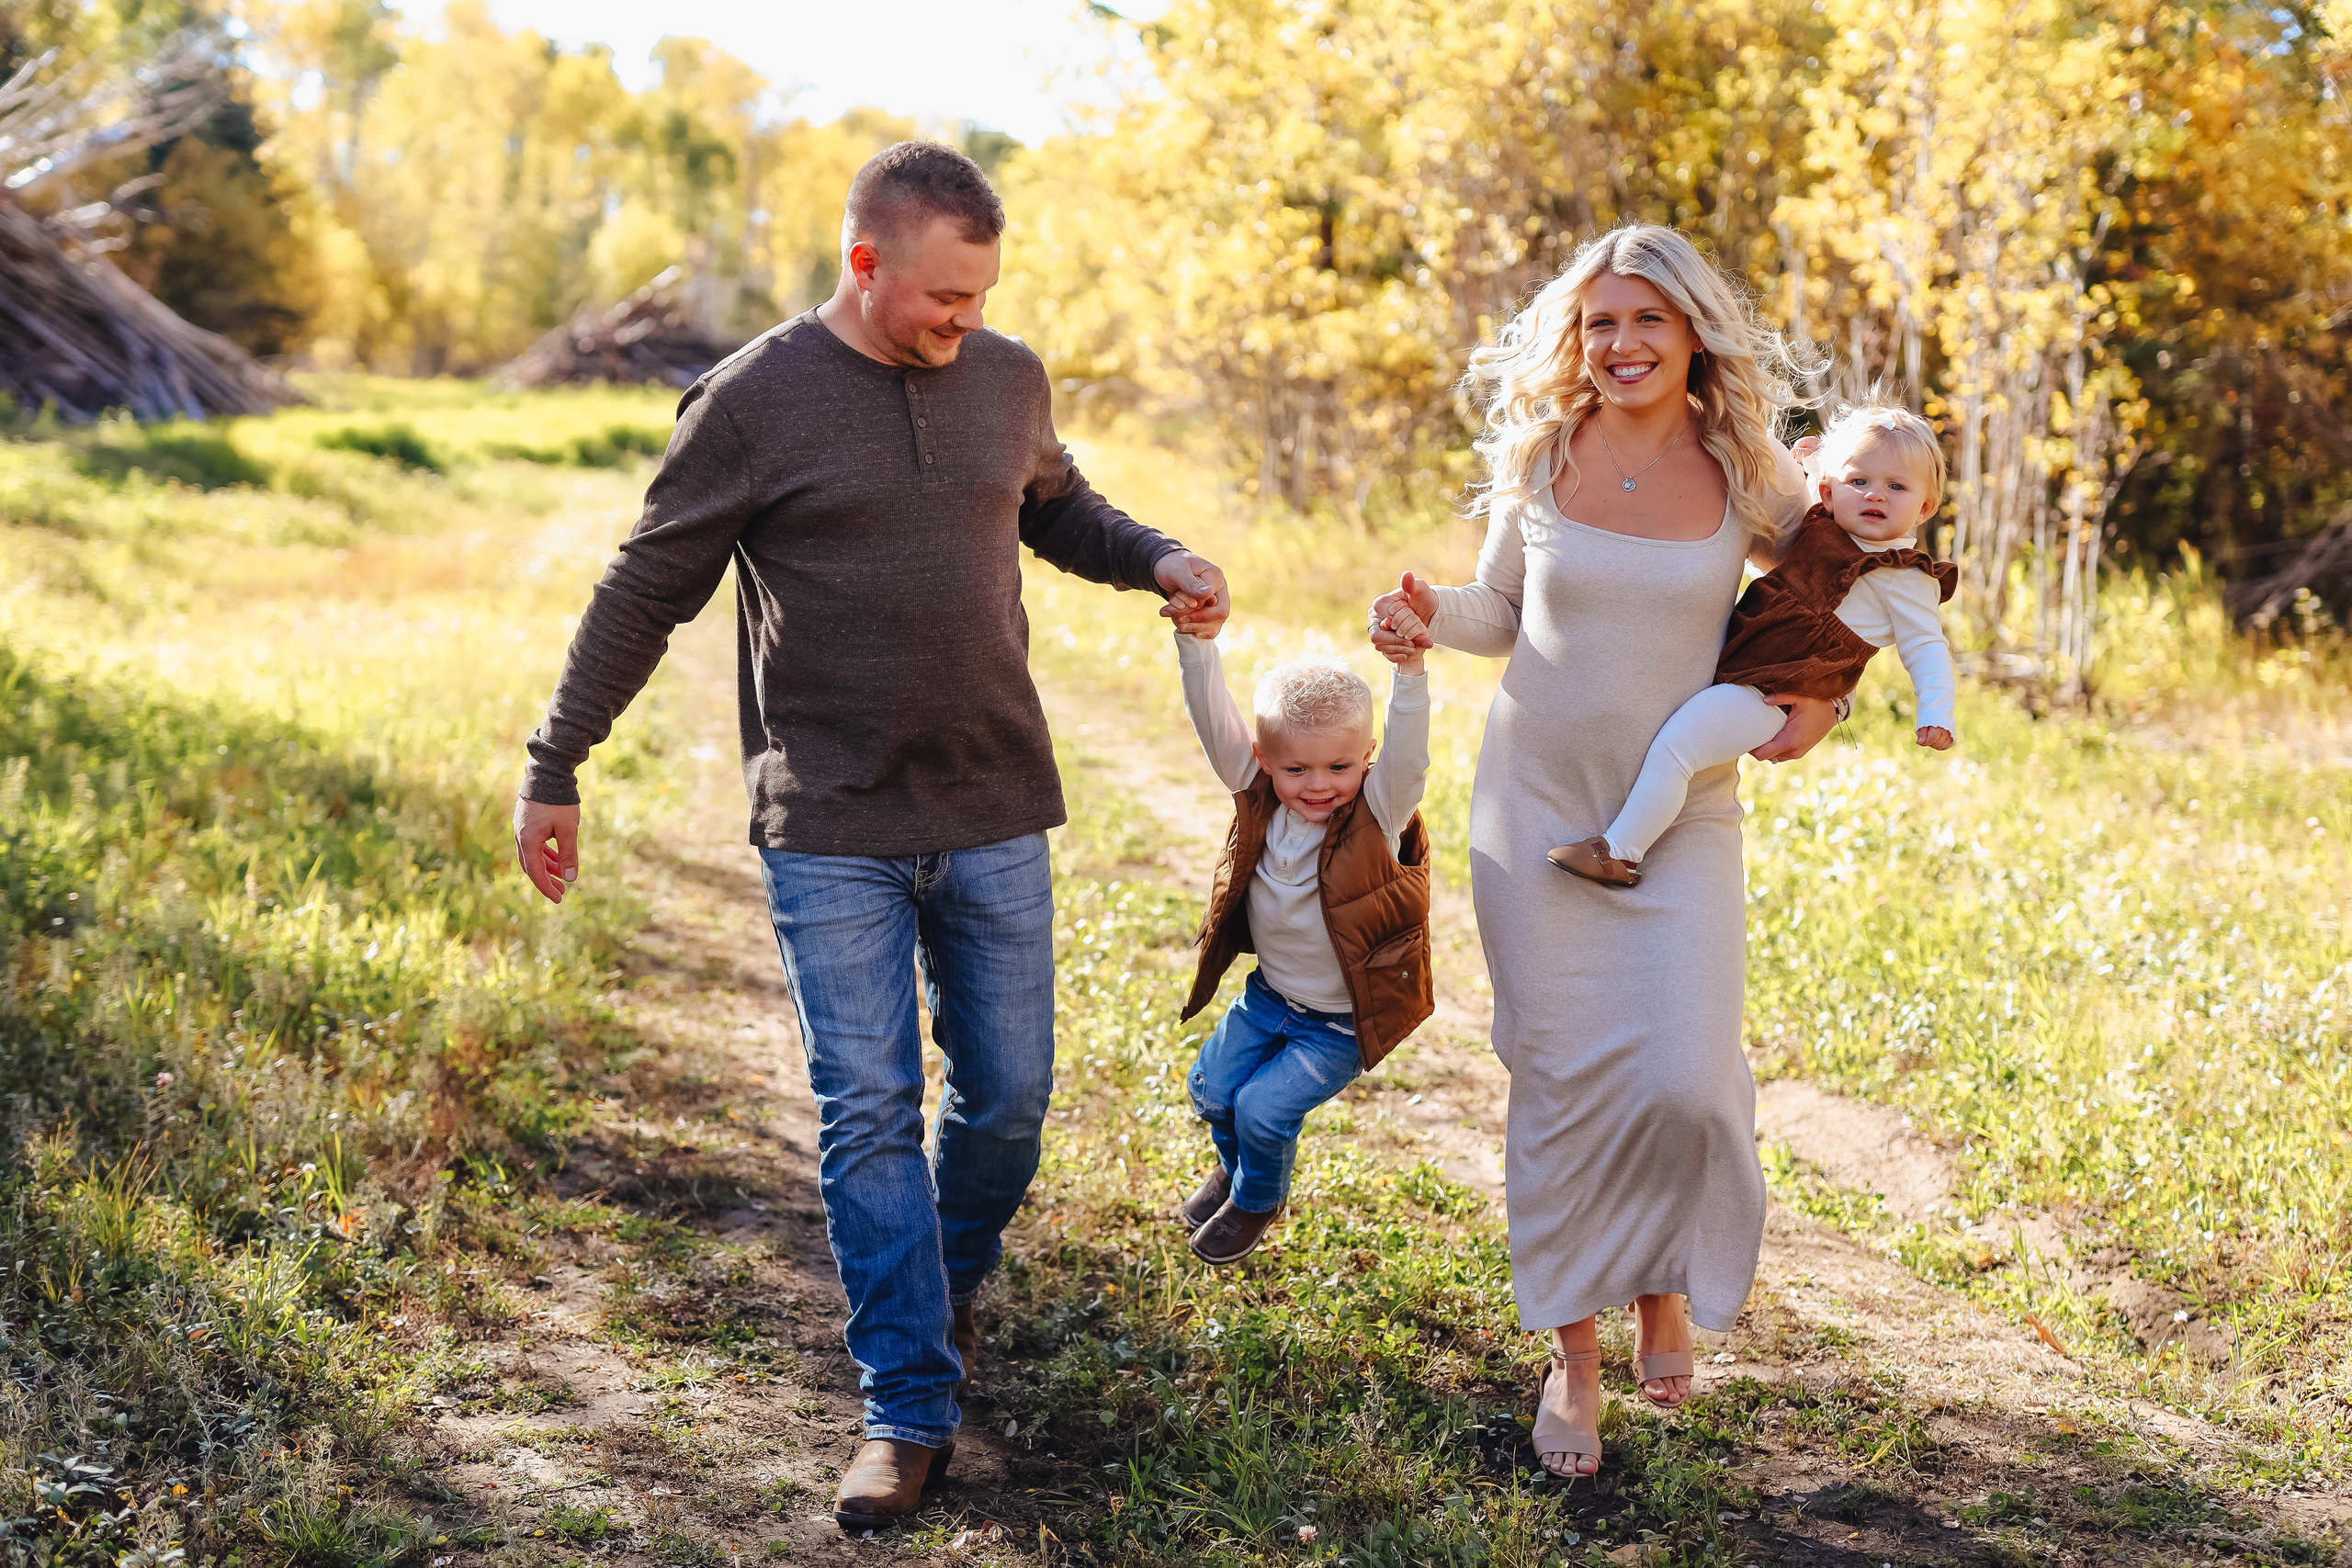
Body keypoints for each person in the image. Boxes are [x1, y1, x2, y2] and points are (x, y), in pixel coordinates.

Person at [509, 141, 1231, 1530]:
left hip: (993, 798)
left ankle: (940, 1281)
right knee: (868, 1112)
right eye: (944, 297)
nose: (968, 320)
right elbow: (644, 589)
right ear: (863, 262)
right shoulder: (750, 402)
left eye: (982, 295)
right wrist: (556, 764)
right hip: (829, 819)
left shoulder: (1006, 377)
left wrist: (1156, 556)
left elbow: (1058, 506)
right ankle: (906, 1403)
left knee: (1007, 1100)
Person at [1367, 224, 1835, 1478]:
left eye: (1647, 320)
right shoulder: (1541, 451)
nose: (1621, 344)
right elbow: (1498, 612)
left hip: (1682, 818)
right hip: (1535, 808)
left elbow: (1836, 588)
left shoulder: (1745, 470)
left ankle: (1662, 1277)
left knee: (1686, 1077)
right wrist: (1423, 615)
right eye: (1600, 322)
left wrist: (1824, 697)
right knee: (1564, 1083)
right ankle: (1574, 1355)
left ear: (1693, 333)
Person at [1550, 401, 1959, 886]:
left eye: (1897, 487)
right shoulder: (1825, 524)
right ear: (1830, 492)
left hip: (1773, 693)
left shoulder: (1905, 577)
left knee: (1679, 746)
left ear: (1925, 507)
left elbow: (1927, 648)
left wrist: (1936, 711)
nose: (1875, 495)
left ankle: (1621, 852)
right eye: (1860, 481)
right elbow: (1816, 488)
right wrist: (1813, 462)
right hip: (1745, 657)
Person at [1170, 617, 1435, 1265]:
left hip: (1340, 1023)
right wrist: (1196, 644)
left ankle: (1257, 1198)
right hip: (1270, 997)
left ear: (1367, 755)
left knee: (1262, 1110)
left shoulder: (1378, 812)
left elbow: (1409, 758)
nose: (1319, 785)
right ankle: (1241, 1170)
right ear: (1265, 760)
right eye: (1297, 768)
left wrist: (1409, 673)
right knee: (1211, 1089)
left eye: (1340, 766)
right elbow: (1215, 723)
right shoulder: (1259, 792)